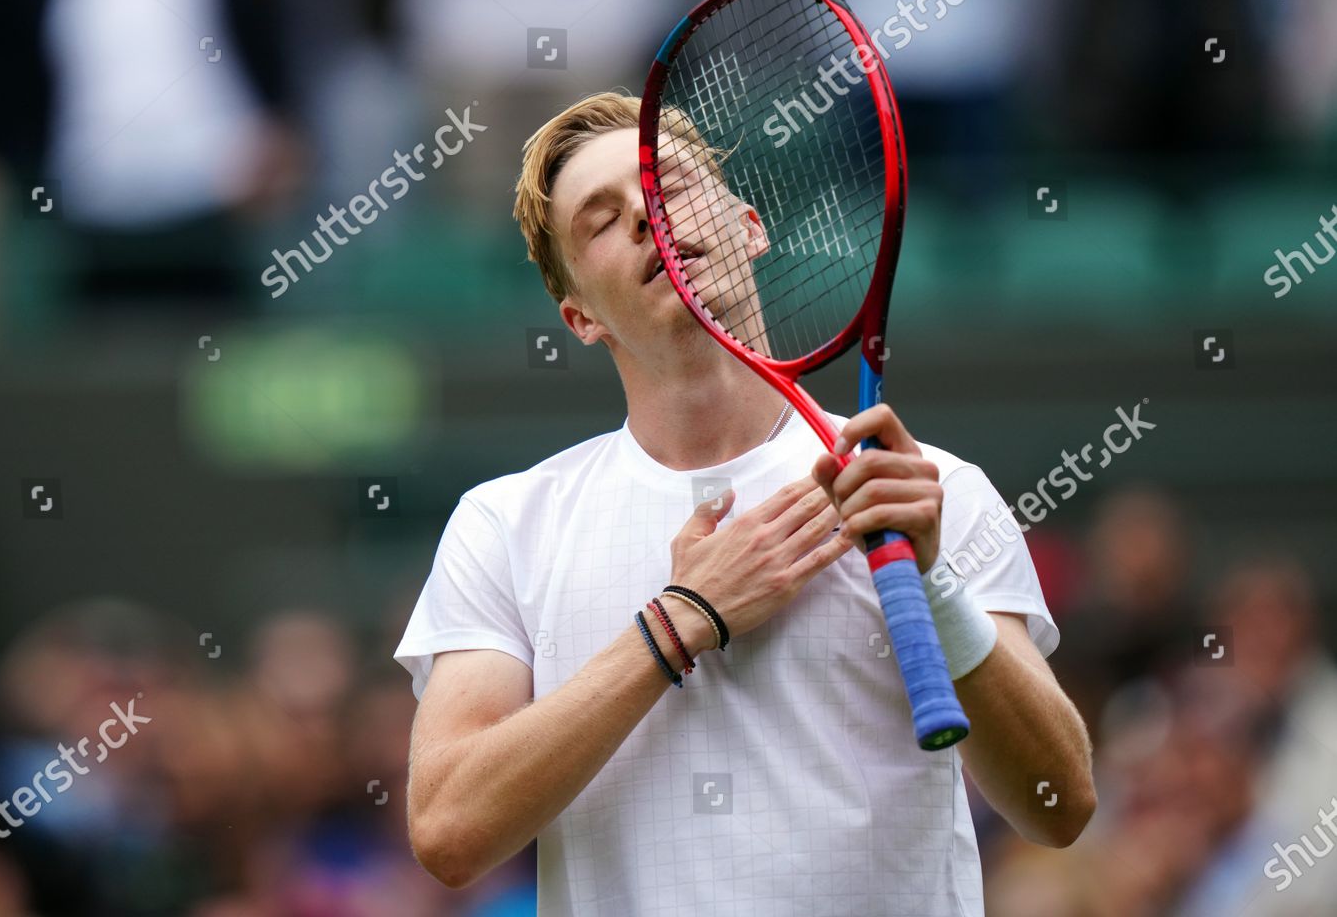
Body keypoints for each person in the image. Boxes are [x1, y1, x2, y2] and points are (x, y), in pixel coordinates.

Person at [393, 92, 1095, 916]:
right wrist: (681, 621)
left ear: (751, 227)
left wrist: (932, 582)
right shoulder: (505, 524)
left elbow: (1061, 806)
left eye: (672, 186)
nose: (649, 218)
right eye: (601, 219)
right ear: (579, 317)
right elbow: (447, 830)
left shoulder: (926, 490)